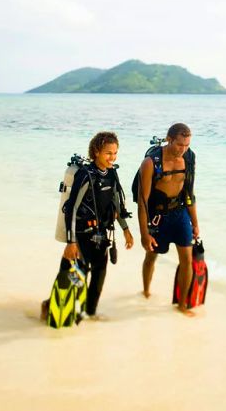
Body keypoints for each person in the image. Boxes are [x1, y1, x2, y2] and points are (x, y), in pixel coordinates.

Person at [60, 131, 134, 320]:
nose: (113, 157)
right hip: (82, 234)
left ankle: (89, 313)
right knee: (79, 276)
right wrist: (71, 242)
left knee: (99, 276)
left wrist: (125, 229)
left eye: (115, 153)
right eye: (109, 153)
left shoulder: (112, 174)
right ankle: (66, 305)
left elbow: (116, 204)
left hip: (101, 234)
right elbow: (72, 209)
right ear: (96, 152)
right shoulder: (86, 175)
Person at [137, 123, 199, 316]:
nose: (183, 149)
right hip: (158, 217)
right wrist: (144, 233)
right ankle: (146, 291)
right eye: (180, 145)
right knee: (151, 256)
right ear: (169, 139)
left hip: (180, 214)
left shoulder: (189, 158)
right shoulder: (150, 163)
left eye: (187, 145)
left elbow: (189, 193)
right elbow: (142, 201)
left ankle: (182, 305)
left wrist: (195, 223)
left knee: (187, 260)